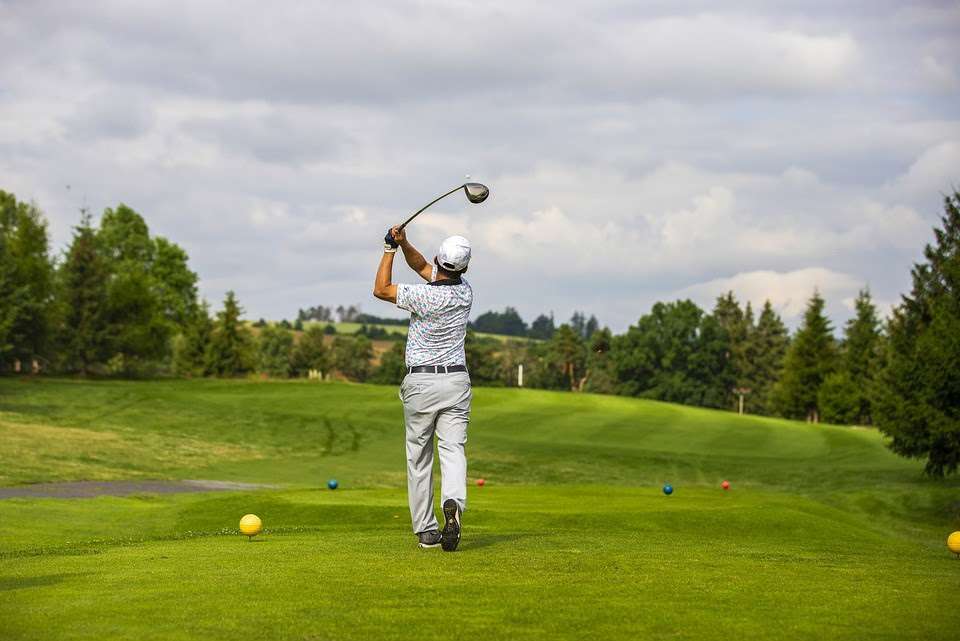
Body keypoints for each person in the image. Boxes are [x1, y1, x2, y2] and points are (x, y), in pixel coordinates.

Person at [373, 225, 473, 552]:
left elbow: (382, 289)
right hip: (457, 382)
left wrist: (389, 249)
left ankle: (427, 531)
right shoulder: (465, 292)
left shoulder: (425, 295)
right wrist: (404, 244)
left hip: (421, 383)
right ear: (464, 268)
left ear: (438, 260)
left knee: (419, 457)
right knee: (453, 449)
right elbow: (421, 267)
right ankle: (454, 504)